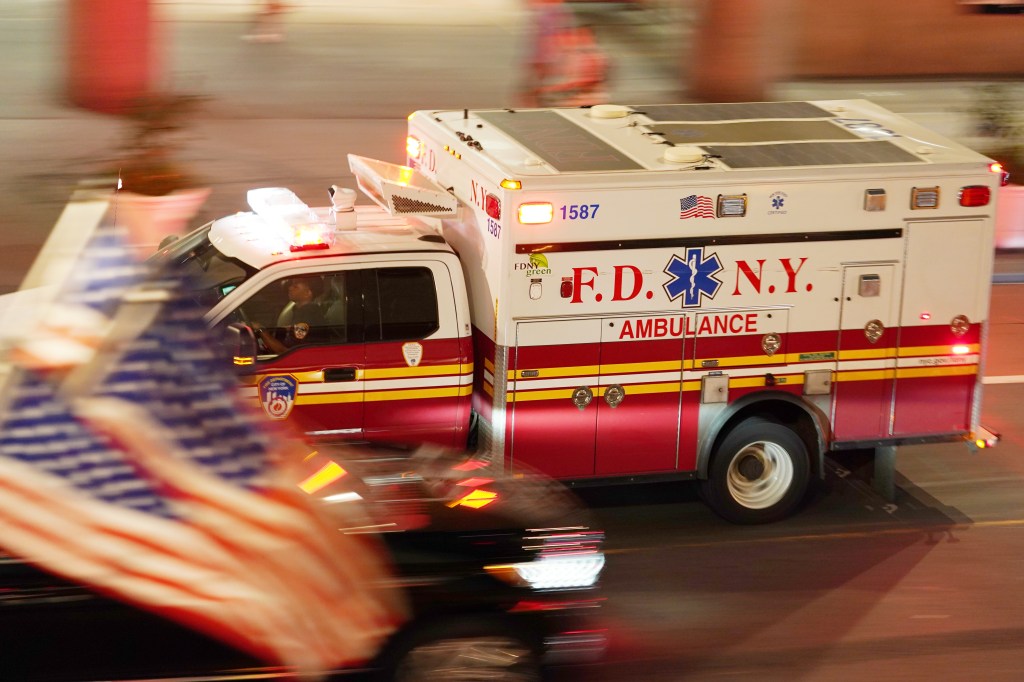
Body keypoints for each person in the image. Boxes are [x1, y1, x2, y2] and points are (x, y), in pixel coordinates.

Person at [252, 277, 326, 354]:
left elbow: (286, 352)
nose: (290, 288)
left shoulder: (307, 315)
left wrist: (260, 330)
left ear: (307, 293)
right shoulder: (303, 311)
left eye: (295, 286)